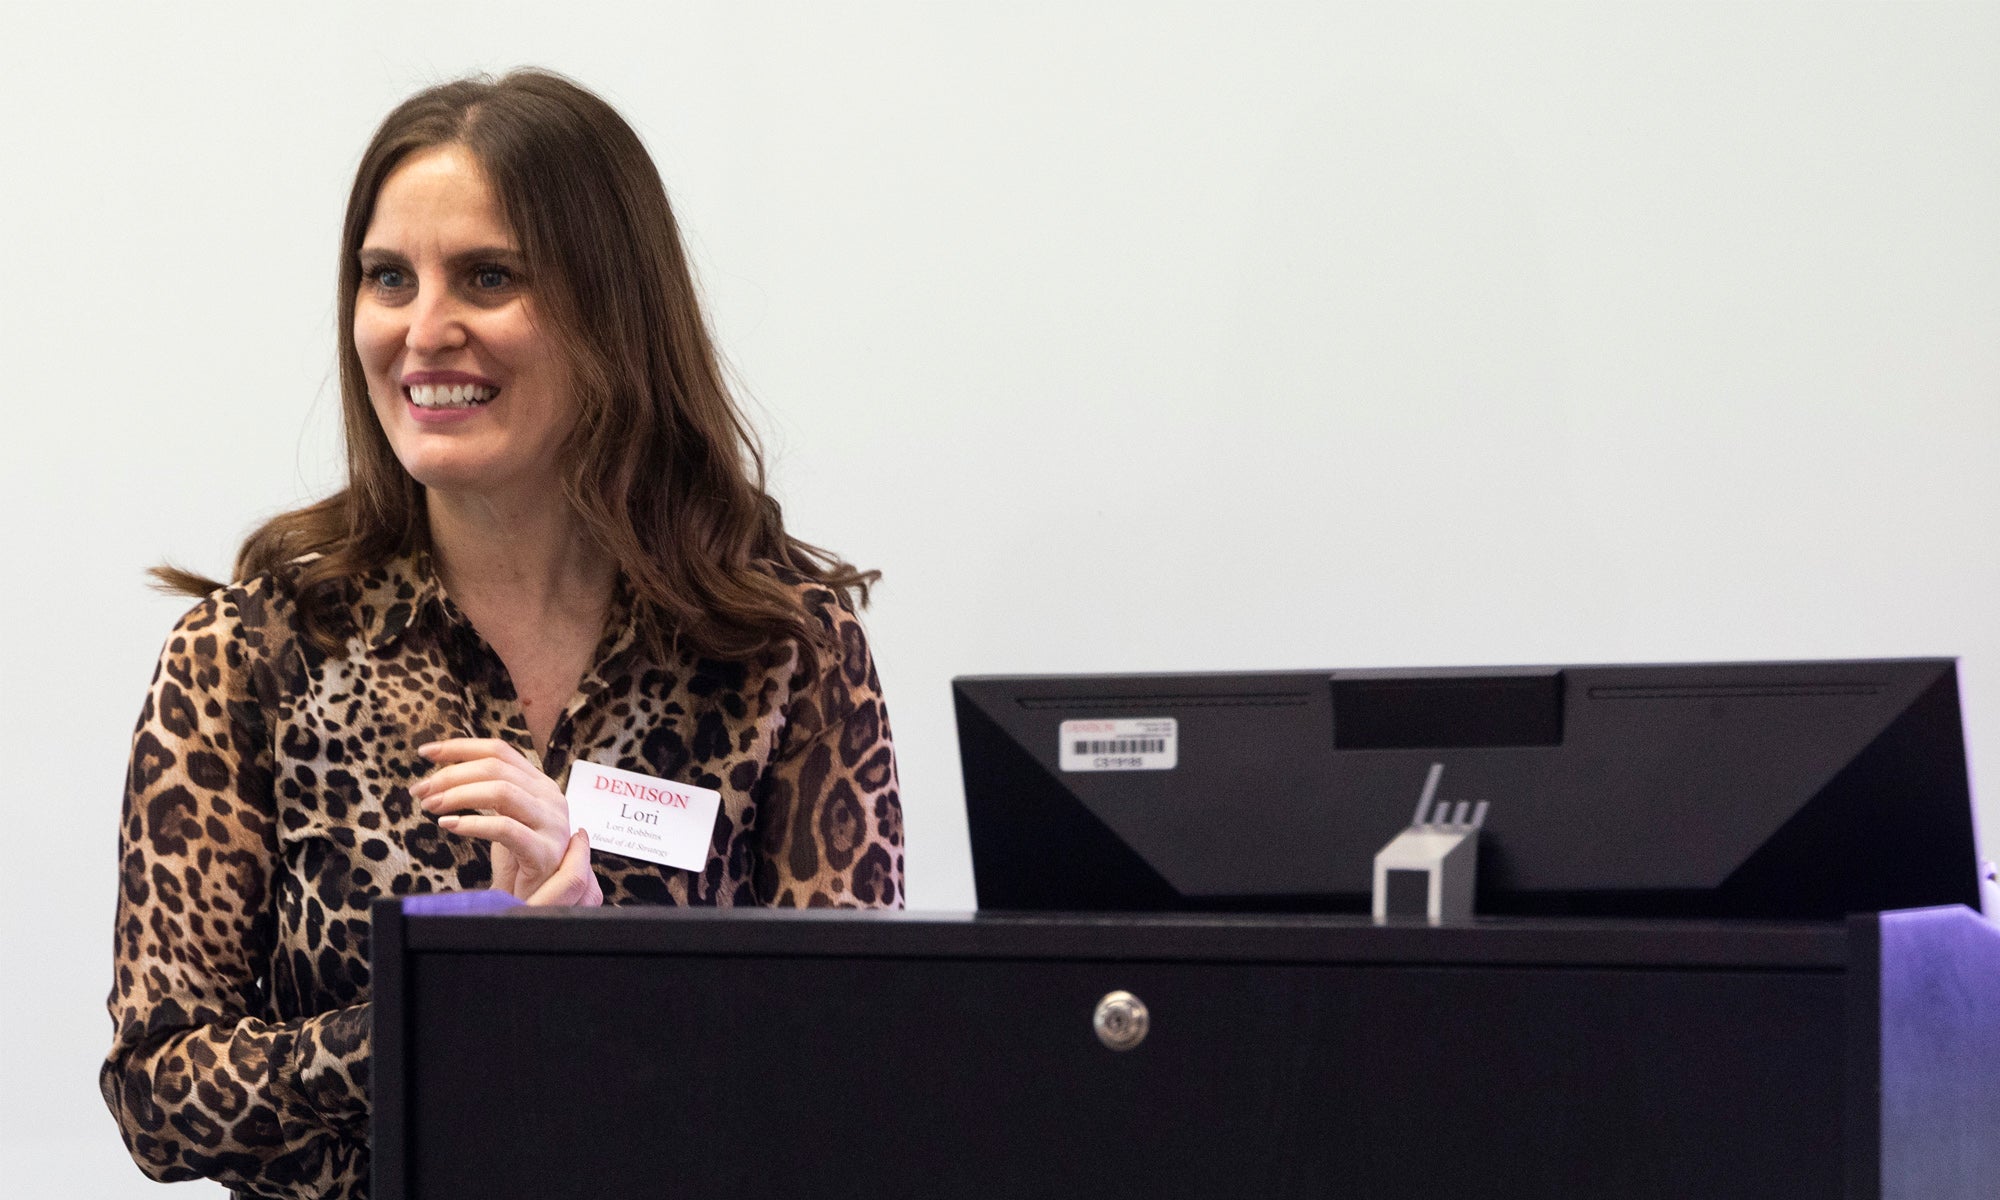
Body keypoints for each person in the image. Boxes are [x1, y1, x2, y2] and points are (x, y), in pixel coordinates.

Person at [100, 69, 903, 1198]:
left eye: (489, 277)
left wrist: (585, 974)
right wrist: (458, 989)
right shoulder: (249, 657)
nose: (425, 332)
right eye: (388, 279)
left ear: (612, 310)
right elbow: (161, 1103)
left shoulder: (781, 652)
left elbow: (853, 1072)